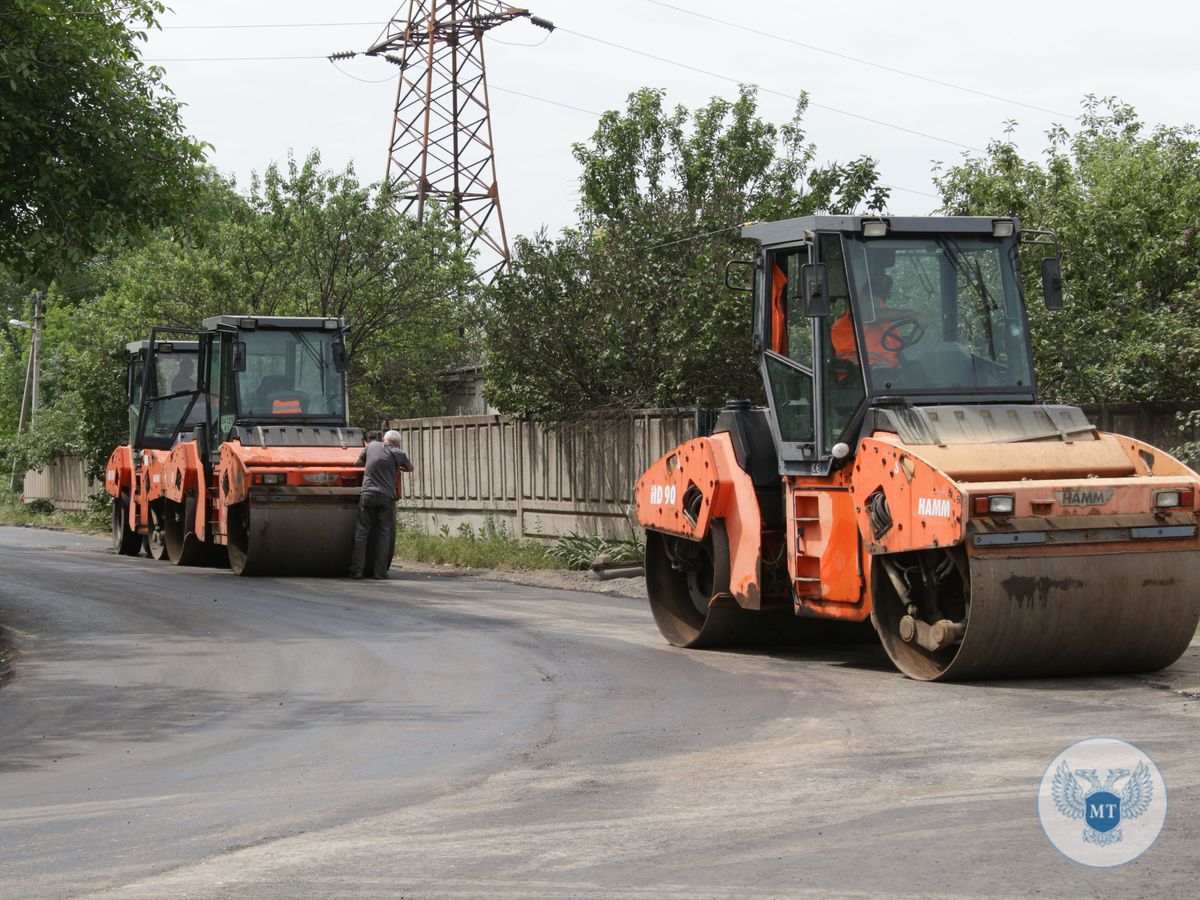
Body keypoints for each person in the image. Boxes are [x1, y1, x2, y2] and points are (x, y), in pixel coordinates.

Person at [350, 430, 414, 580]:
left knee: (362, 532)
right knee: (384, 533)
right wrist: (398, 468)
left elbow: (357, 463)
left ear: (384, 439)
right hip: (386, 497)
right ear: (397, 443)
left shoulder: (371, 446)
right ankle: (379, 573)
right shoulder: (399, 453)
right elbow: (411, 468)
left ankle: (356, 571)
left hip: (367, 495)